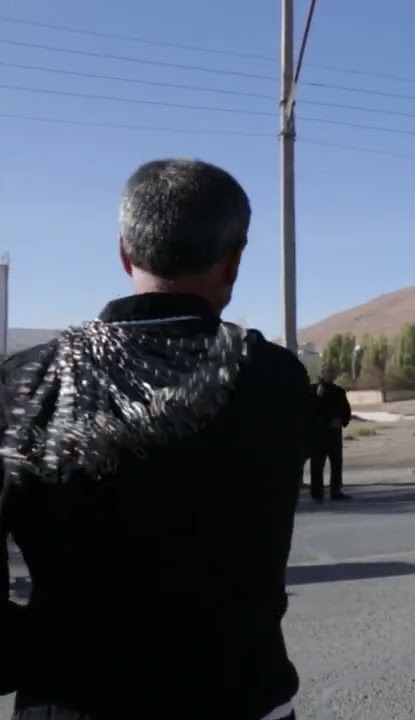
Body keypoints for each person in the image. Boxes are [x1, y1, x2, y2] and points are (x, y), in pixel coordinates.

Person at [0, 158, 307, 719]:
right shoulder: (275, 378)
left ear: (124, 252)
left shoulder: (22, 384)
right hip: (240, 693)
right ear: (233, 261)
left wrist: (39, 652)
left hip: (73, 696)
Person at [310, 364, 352, 501]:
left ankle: (335, 491)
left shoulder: (338, 391)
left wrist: (341, 421)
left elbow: (346, 411)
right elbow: (308, 410)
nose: (328, 374)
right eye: (326, 372)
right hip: (318, 435)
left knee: (336, 464)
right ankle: (317, 493)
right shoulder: (314, 390)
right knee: (317, 465)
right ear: (322, 373)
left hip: (334, 434)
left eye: (331, 372)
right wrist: (317, 396)